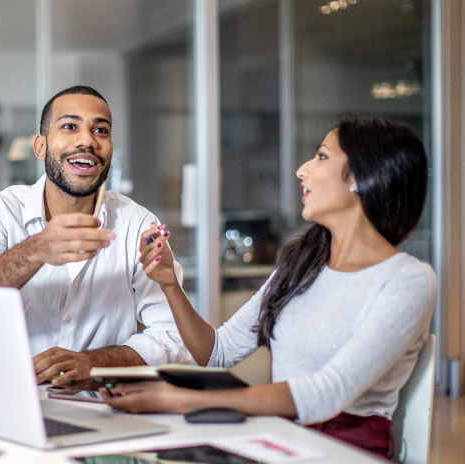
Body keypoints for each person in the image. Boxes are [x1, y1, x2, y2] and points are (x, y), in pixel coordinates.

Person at [103, 117, 438, 459]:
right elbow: (216, 353)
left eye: (322, 157)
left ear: (359, 179)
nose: (302, 170)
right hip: (277, 443)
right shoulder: (301, 264)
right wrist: (170, 285)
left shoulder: (408, 280)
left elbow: (324, 394)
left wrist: (179, 400)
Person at [0, 86, 190, 389]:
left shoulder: (137, 223)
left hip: (103, 410)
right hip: (1, 397)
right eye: (70, 126)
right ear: (40, 147)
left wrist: (93, 364)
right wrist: (35, 250)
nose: (87, 140)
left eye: (100, 130)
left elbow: (174, 334)